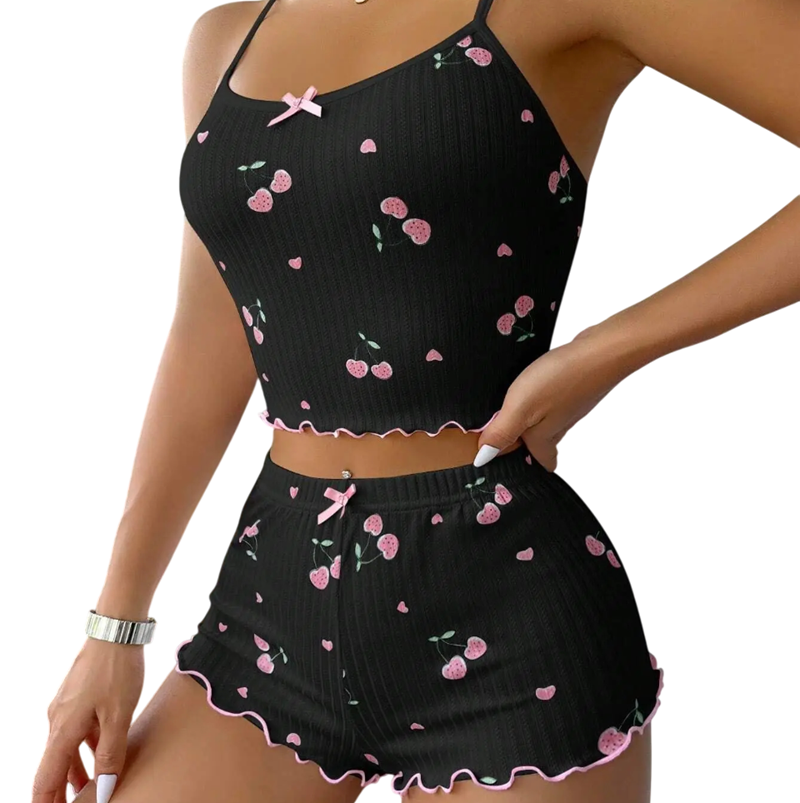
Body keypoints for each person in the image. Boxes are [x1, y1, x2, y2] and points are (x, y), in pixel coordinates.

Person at [31, 1, 799, 802]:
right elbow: (209, 334)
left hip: (509, 612)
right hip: (273, 601)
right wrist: (114, 627)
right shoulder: (226, 38)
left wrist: (604, 354)